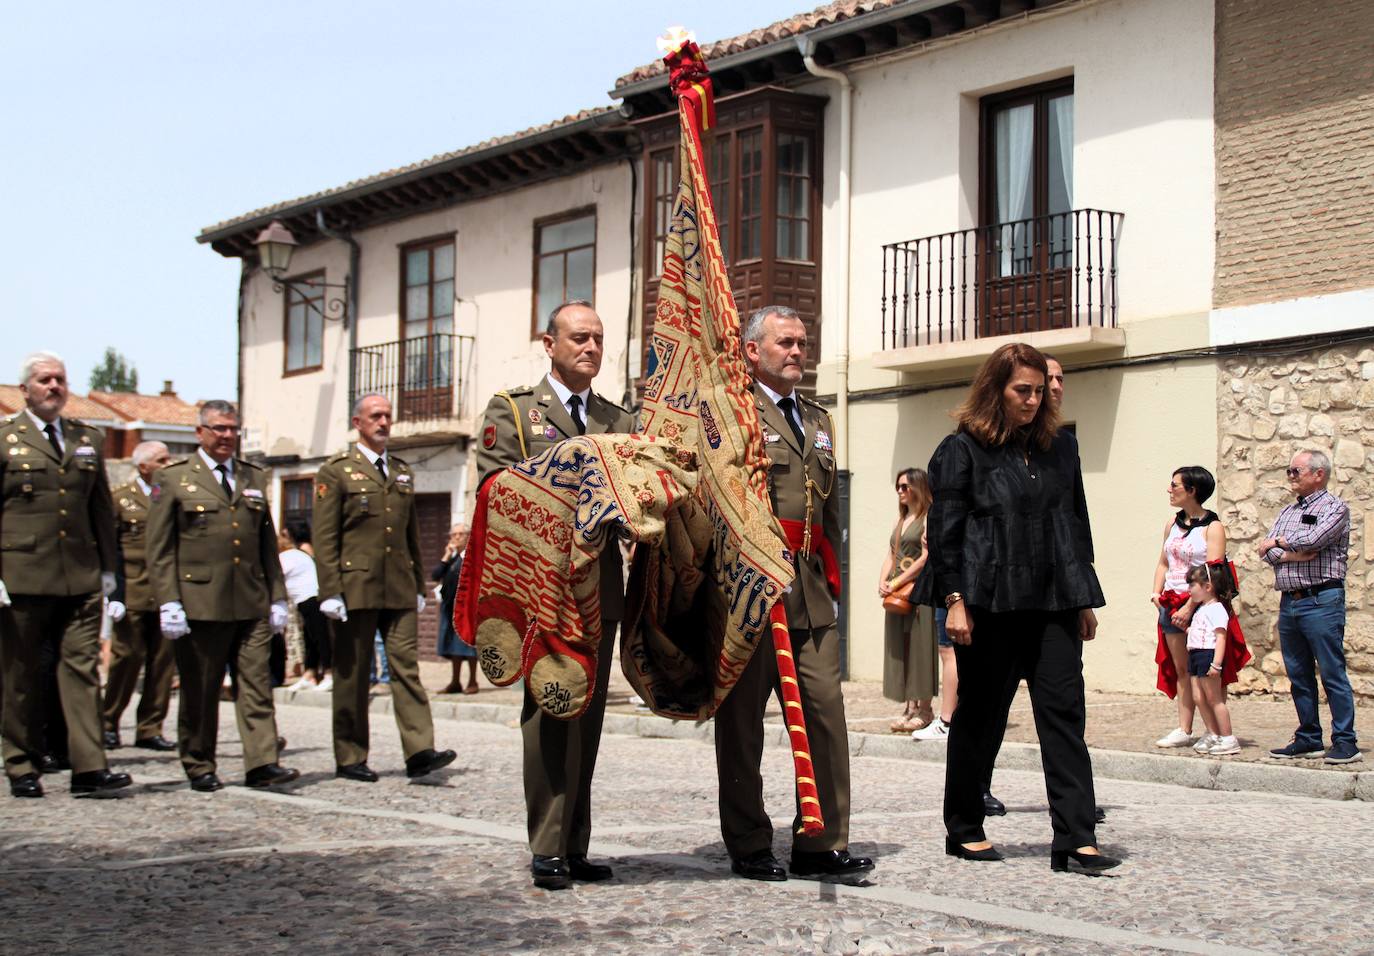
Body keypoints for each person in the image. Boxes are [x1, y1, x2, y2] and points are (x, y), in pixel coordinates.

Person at [928, 342, 1118, 874]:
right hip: (988, 603)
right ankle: (964, 826)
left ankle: (1076, 838)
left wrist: (1084, 597)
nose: (1034, 400)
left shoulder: (1063, 448)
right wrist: (955, 601)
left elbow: (1075, 523)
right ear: (996, 390)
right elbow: (945, 534)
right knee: (982, 718)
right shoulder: (960, 450)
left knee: (1064, 715)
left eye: (1040, 390)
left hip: (1055, 600)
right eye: (1022, 390)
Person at [475, 299, 636, 890]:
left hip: (598, 588)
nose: (590, 348)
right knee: (548, 709)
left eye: (597, 339)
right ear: (550, 343)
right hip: (540, 588)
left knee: (587, 717)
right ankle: (546, 847)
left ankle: (574, 844)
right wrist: (564, 476)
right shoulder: (515, 411)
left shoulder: (616, 420)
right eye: (578, 338)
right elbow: (494, 485)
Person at [714, 305, 874, 884]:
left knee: (824, 712)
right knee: (743, 724)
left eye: (803, 343)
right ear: (752, 350)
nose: (798, 352)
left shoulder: (820, 419)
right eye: (786, 342)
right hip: (749, 591)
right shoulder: (731, 413)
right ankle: (750, 840)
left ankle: (820, 840)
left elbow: (828, 511)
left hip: (807, 588)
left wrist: (830, 578)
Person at [146, 399, 298, 792]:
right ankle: (199, 763)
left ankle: (262, 762)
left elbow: (267, 543)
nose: (227, 435)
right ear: (200, 433)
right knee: (201, 689)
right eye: (218, 428)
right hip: (200, 604)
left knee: (256, 685)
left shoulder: (253, 477)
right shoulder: (174, 478)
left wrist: (278, 596)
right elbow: (159, 548)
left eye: (232, 429)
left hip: (250, 601)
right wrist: (169, 601)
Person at [0, 351, 132, 798]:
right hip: (21, 576)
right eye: (44, 380)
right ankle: (20, 763)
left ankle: (88, 766)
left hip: (80, 578)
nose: (54, 387)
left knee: (82, 670)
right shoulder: (5, 439)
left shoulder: (86, 438)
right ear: (26, 389)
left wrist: (111, 574)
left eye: (60, 379)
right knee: (18, 674)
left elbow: (102, 513)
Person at [312, 394, 456, 784]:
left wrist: (417, 583)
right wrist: (329, 591)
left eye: (388, 416)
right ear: (357, 422)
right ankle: (350, 754)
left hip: (397, 588)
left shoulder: (402, 470)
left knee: (405, 669)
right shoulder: (336, 472)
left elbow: (409, 533)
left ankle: (419, 750)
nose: (384, 422)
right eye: (376, 416)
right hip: (354, 587)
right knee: (354, 674)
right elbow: (325, 537)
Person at [1260, 449, 1360, 764]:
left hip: (1322, 600)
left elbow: (1314, 540)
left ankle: (1345, 741)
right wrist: (1287, 550)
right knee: (1299, 673)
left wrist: (1281, 544)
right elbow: (1265, 550)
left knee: (1332, 672)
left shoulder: (1335, 508)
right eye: (1289, 471)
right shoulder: (1286, 512)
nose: (1290, 476)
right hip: (1290, 601)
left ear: (1318, 474)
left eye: (1295, 471)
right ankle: (1308, 737)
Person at [102, 440, 177, 752]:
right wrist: (114, 592)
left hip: (165, 593)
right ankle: (107, 722)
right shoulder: (121, 499)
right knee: (126, 659)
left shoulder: (172, 498)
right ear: (143, 466)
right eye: (162, 460)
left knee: (162, 664)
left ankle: (150, 727)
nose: (168, 464)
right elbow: (111, 548)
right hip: (132, 590)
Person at [1150, 466, 1227, 748]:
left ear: (1192, 490)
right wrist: (1156, 593)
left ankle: (1216, 730)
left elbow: (1213, 572)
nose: (1170, 490)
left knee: (1206, 669)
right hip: (1171, 603)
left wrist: (1190, 607)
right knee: (1181, 668)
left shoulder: (1213, 527)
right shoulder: (1171, 524)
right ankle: (1184, 727)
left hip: (1200, 606)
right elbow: (1164, 562)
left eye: (1175, 485)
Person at [879, 468, 936, 734]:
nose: (900, 491)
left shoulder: (927, 519)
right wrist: (882, 580)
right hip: (898, 592)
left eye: (905, 486)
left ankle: (924, 710)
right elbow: (891, 553)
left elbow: (926, 558)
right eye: (898, 487)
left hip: (919, 592)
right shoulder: (900, 521)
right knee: (902, 647)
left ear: (917, 487)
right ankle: (909, 708)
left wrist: (897, 582)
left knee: (920, 649)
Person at [1182, 563, 1240, 755]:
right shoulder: (1202, 609)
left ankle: (1228, 737)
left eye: (1192, 585)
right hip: (1196, 654)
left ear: (1208, 587)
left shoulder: (1216, 609)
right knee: (1198, 697)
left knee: (1214, 699)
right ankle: (1213, 733)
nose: (1189, 590)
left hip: (1208, 655)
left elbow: (1221, 637)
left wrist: (1216, 663)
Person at [279, 521, 331, 693]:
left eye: (284, 535)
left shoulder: (293, 554)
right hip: (308, 598)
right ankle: (310, 674)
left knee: (319, 637)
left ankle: (329, 673)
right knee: (311, 638)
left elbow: (277, 574)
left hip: (310, 597)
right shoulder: (306, 552)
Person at [431, 522, 478, 695]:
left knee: (468, 644)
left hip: (466, 608)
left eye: (461, 534)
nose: (456, 537)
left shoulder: (472, 557)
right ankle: (455, 681)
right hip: (449, 608)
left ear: (468, 536)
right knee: (452, 645)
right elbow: (435, 575)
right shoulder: (451, 558)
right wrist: (445, 555)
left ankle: (473, 681)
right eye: (453, 534)